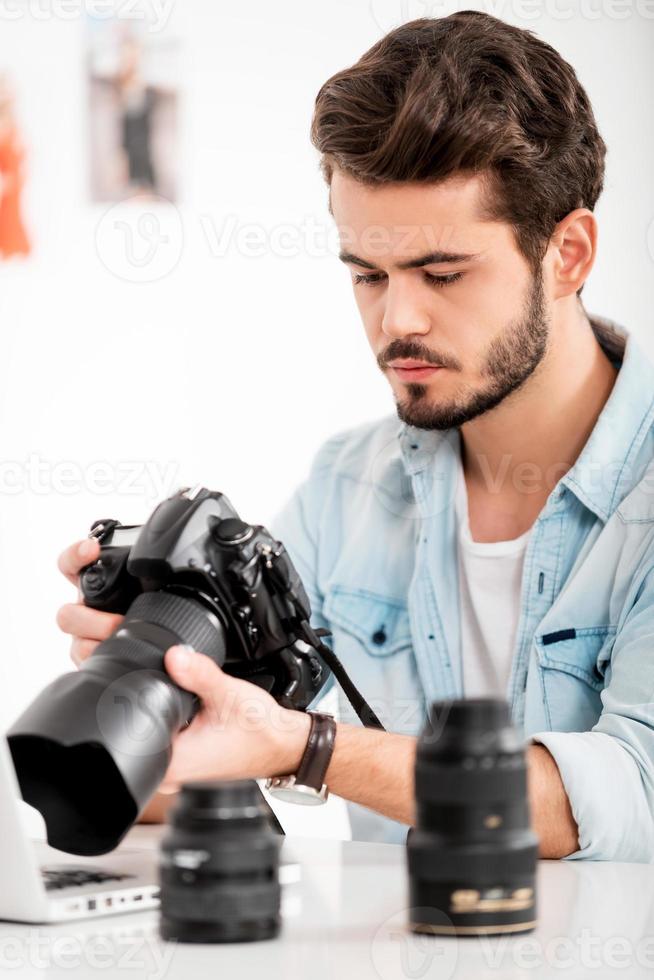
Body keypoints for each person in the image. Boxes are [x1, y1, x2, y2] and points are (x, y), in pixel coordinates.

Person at [57, 11, 654, 861]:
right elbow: (227, 762)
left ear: (569, 253)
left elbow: (632, 789)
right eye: (367, 274)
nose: (396, 319)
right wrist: (153, 698)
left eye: (442, 273)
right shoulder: (348, 488)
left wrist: (310, 747)